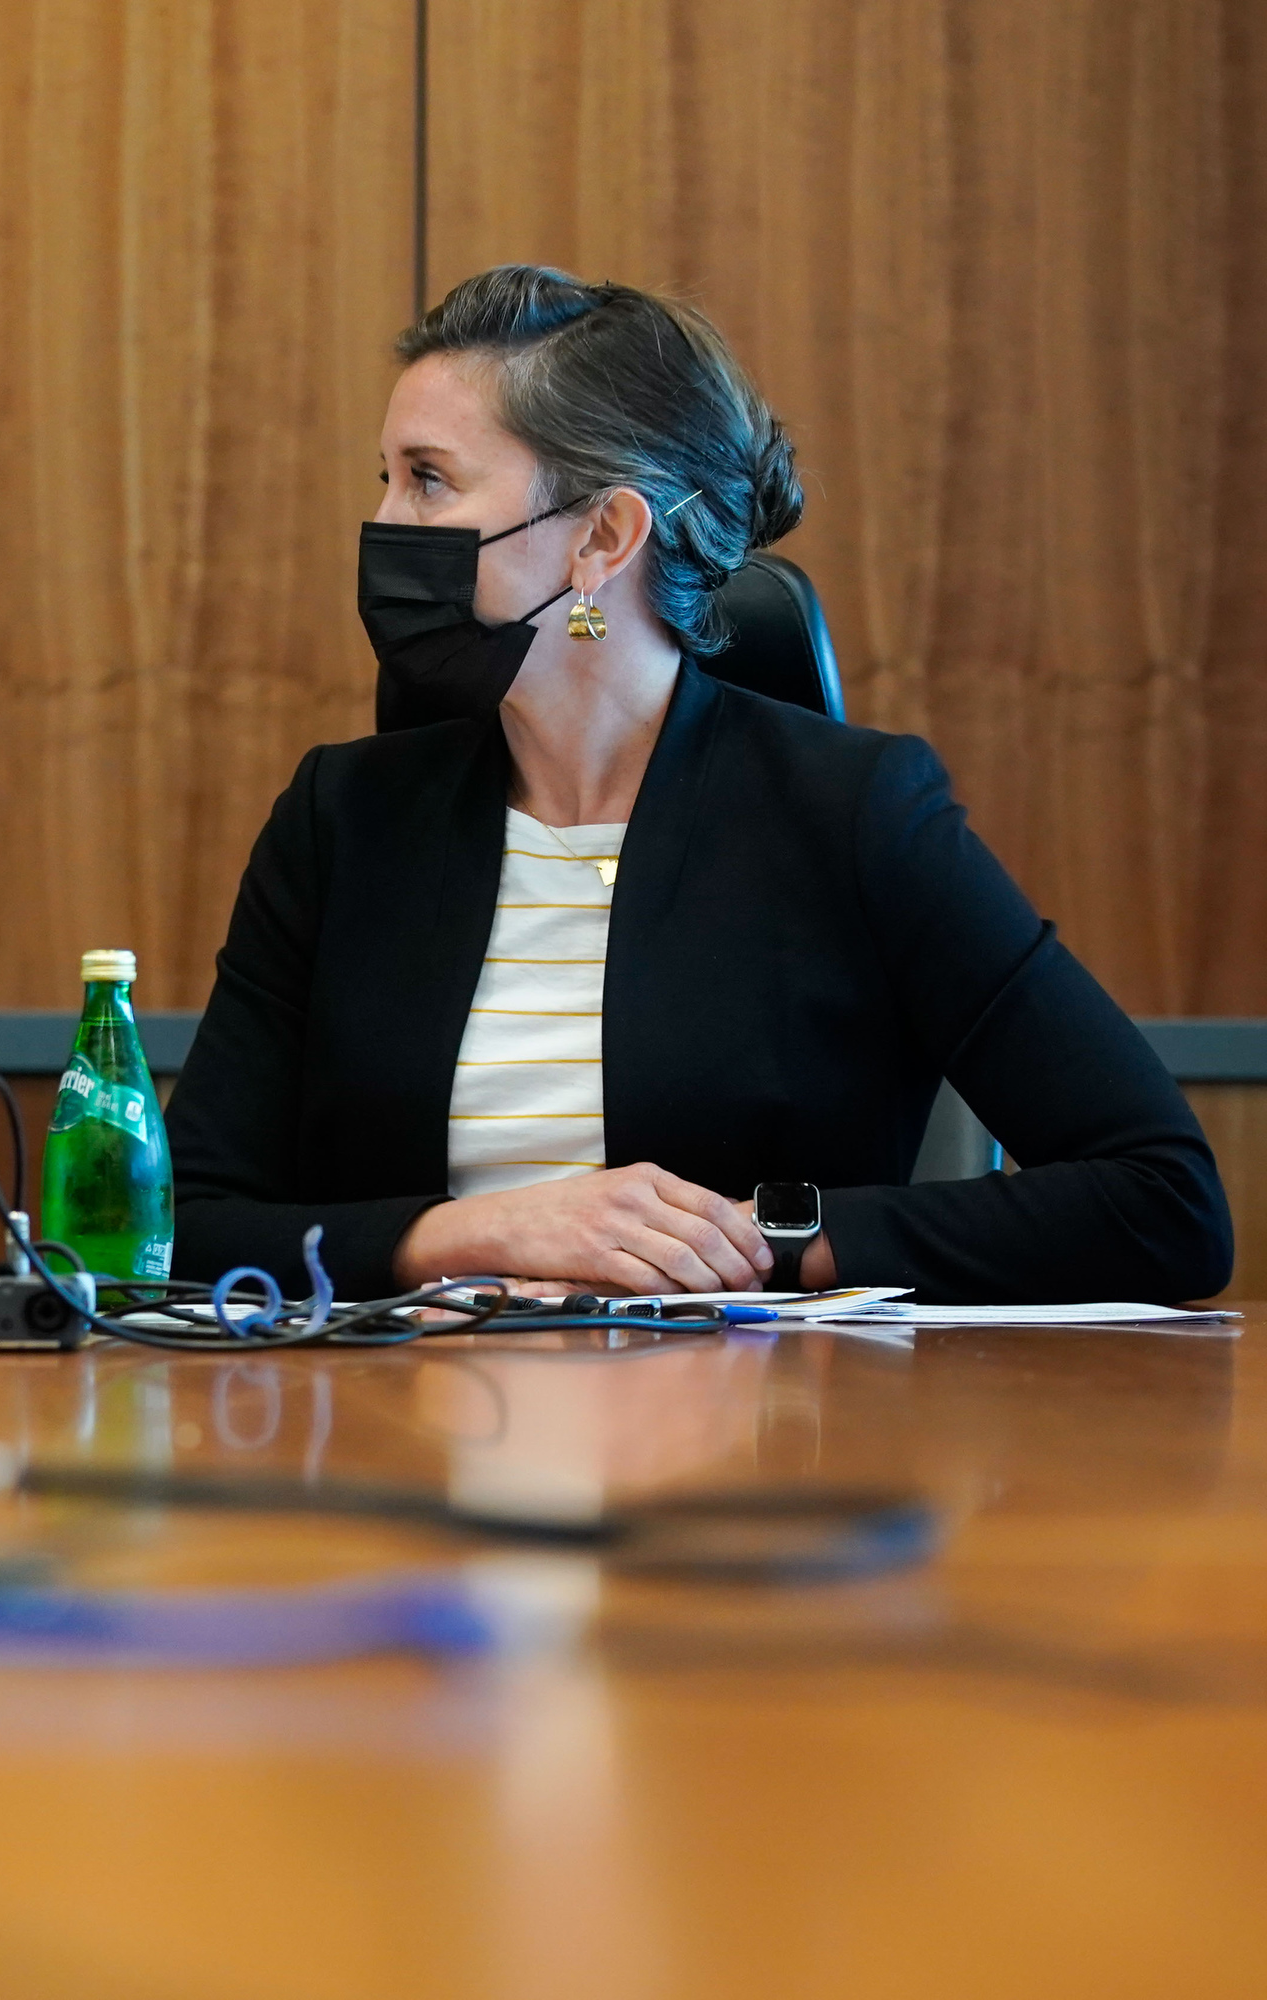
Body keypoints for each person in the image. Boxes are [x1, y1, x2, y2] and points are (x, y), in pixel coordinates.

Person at [166, 265, 1231, 1306]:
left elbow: (1162, 1197)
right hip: (396, 1439)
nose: (388, 521)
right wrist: (462, 1233)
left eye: (429, 478)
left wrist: (766, 1236)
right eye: (385, 475)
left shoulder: (854, 811)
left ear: (601, 537)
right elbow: (179, 1219)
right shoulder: (342, 819)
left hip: (753, 1443)